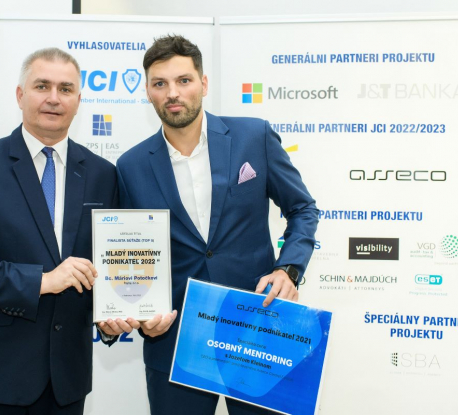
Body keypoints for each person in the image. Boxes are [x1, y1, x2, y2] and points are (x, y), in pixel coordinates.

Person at [115, 35, 319, 415]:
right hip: (175, 341)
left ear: (203, 83)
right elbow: (131, 256)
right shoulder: (130, 166)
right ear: (147, 91)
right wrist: (140, 312)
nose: (172, 93)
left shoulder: (253, 137)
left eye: (184, 80)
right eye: (160, 83)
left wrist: (288, 269)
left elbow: (302, 208)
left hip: (258, 329)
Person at [0, 47, 138, 415]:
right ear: (20, 95)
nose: (54, 98)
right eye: (42, 86)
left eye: (66, 89)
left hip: (65, 383)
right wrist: (43, 281)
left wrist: (111, 319)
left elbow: (106, 268)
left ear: (78, 101)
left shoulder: (103, 174)